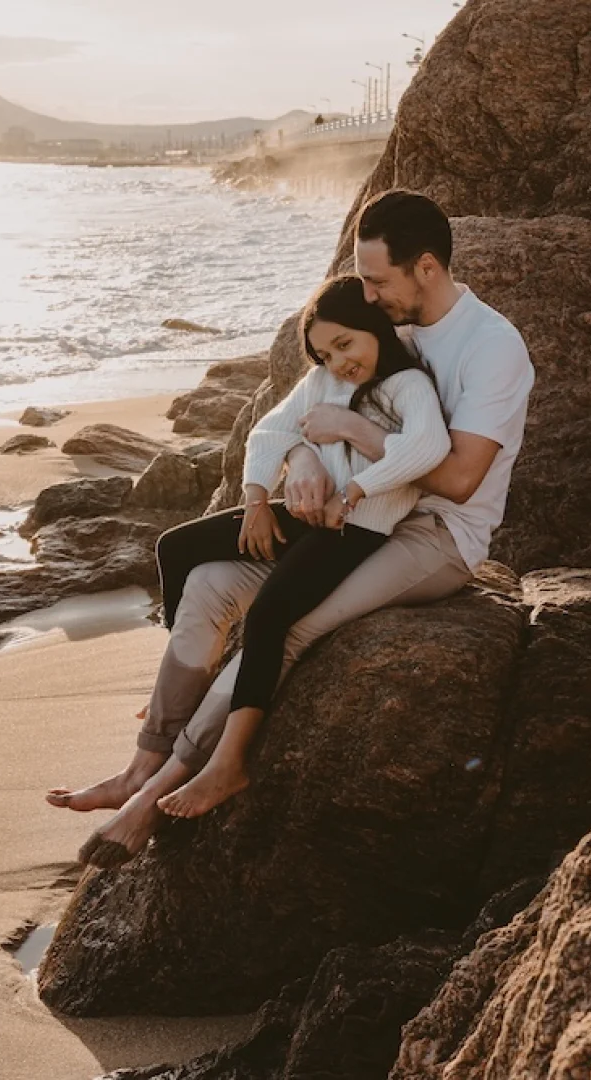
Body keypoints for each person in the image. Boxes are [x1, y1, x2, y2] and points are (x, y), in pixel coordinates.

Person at [49, 190, 534, 868]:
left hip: (434, 535)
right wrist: (304, 453)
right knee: (210, 583)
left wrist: (351, 433)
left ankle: (175, 784)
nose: (364, 293)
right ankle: (143, 760)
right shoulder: (380, 327)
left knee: (291, 621)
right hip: (349, 517)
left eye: (376, 280)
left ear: (426, 267)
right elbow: (300, 410)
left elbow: (458, 479)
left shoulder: (490, 346)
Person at [143, 274, 449, 818]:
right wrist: (257, 501)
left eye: (345, 344)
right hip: (302, 516)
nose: (338, 362)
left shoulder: (409, 386)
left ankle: (229, 765)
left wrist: (355, 488)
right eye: (325, 352)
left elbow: (426, 450)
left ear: (374, 326)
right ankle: (188, 692)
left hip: (356, 529)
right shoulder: (320, 382)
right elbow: (268, 432)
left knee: (268, 617)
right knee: (175, 548)